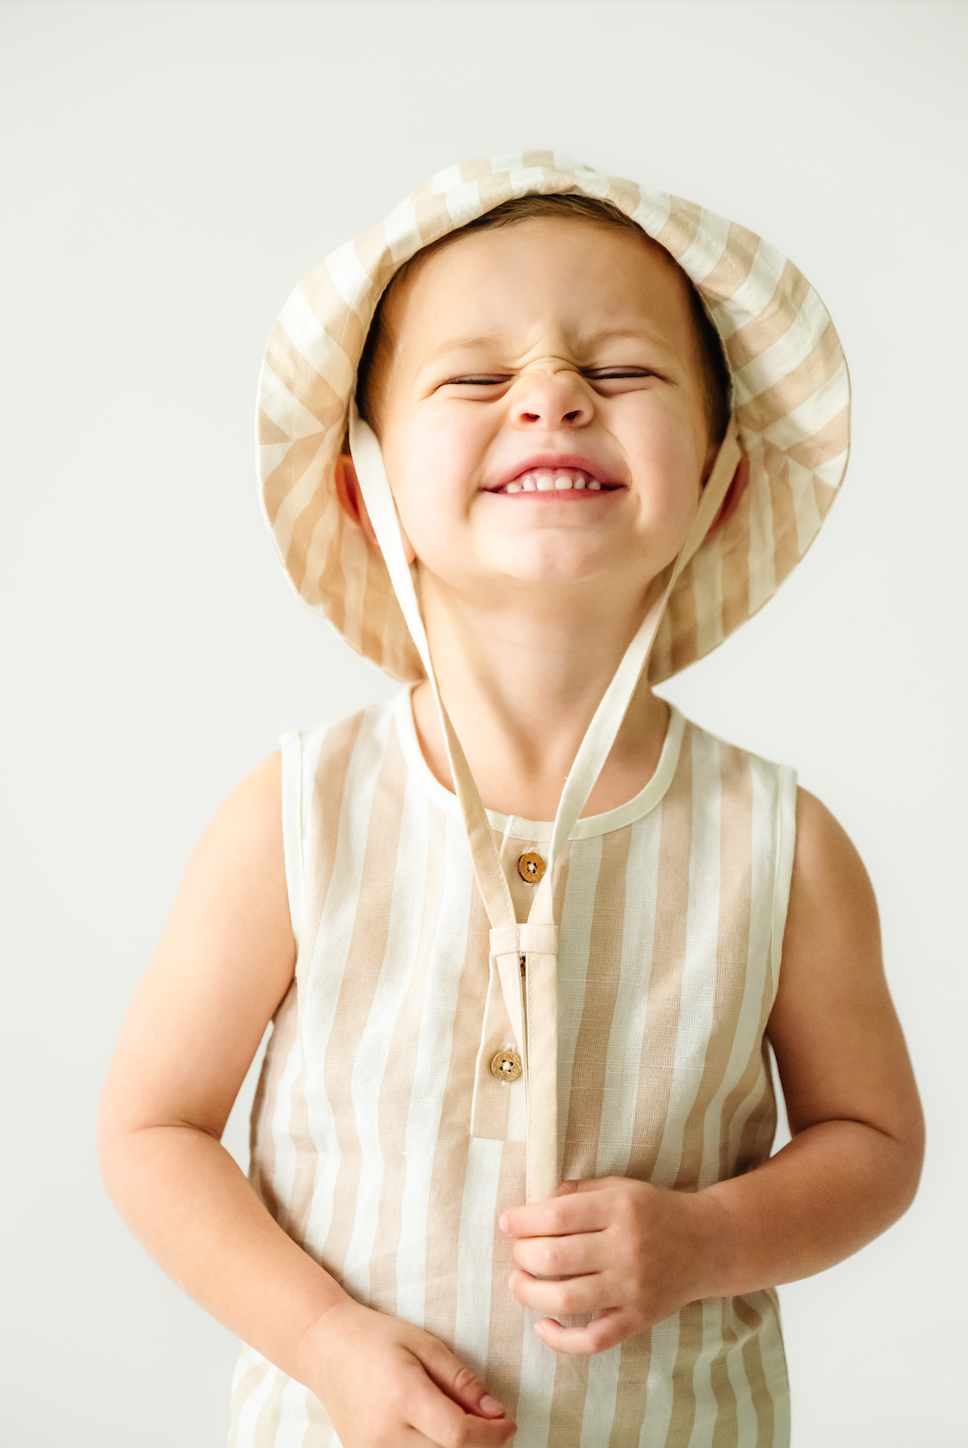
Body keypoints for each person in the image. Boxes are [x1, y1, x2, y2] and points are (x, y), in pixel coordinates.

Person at [98, 154, 924, 1448]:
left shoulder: (782, 845)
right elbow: (152, 1130)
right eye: (478, 378)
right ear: (366, 494)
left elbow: (874, 1143)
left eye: (620, 373)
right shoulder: (297, 816)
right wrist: (322, 1342)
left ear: (725, 484)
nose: (550, 399)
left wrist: (706, 1239)